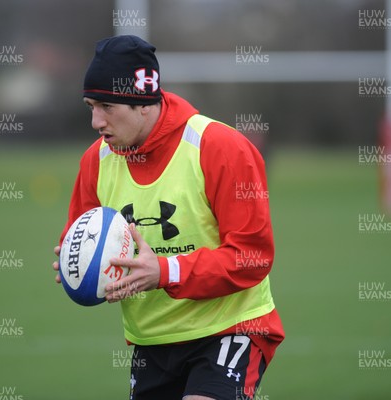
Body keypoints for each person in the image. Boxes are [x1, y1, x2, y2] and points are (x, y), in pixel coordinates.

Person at [52, 35, 284, 400]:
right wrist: (75, 263)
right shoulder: (95, 161)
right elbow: (84, 237)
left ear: (144, 102)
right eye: (90, 106)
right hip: (152, 342)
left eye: (107, 106)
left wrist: (163, 271)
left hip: (229, 328)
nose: (96, 121)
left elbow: (252, 258)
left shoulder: (221, 148)